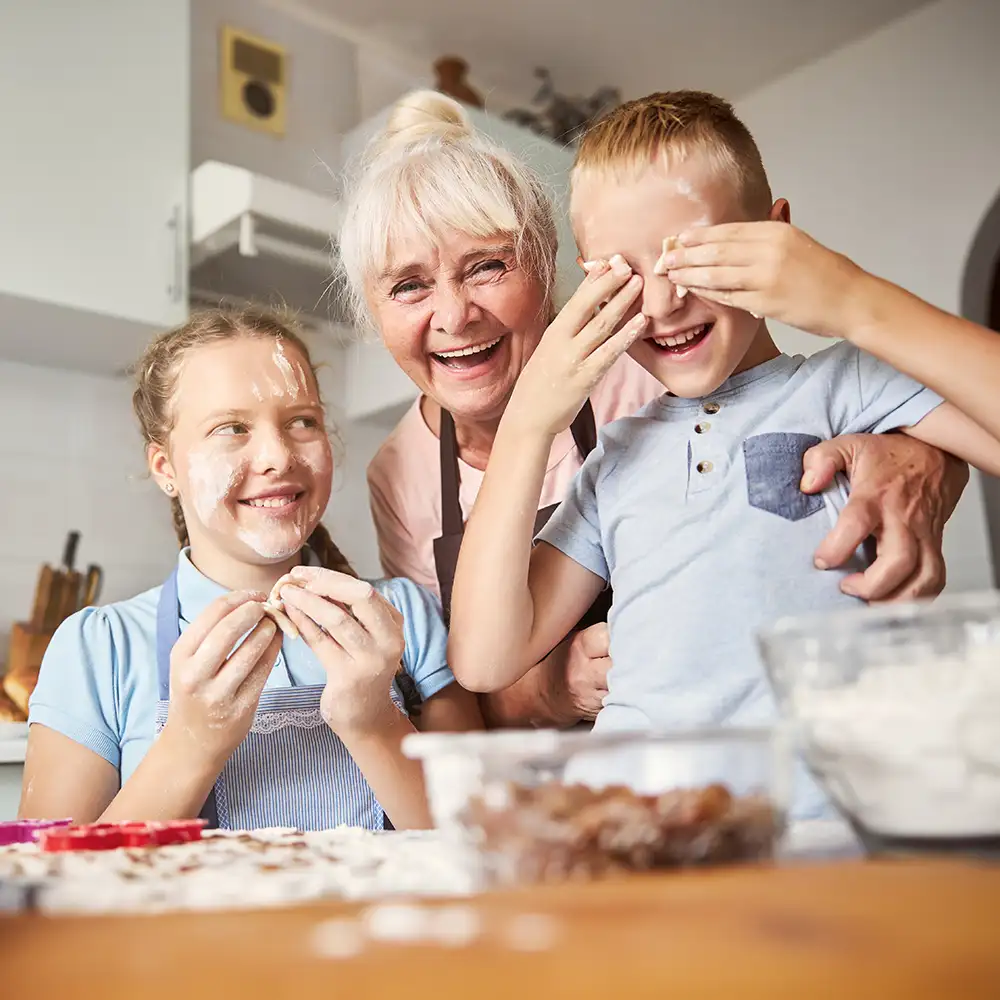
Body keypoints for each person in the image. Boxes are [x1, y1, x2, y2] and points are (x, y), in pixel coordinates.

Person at [340, 90, 969, 730]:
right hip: (618, 778)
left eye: (486, 267)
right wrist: (530, 423)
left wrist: (858, 318)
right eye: (409, 286)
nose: (664, 303)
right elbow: (469, 670)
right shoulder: (611, 461)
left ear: (548, 271)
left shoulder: (742, 377)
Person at [20, 308, 480, 830]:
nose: (278, 457)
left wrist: (375, 722)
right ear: (166, 468)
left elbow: (484, 848)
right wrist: (190, 743)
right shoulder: (99, 649)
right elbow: (50, 874)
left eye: (302, 421)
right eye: (231, 428)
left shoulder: (402, 616)